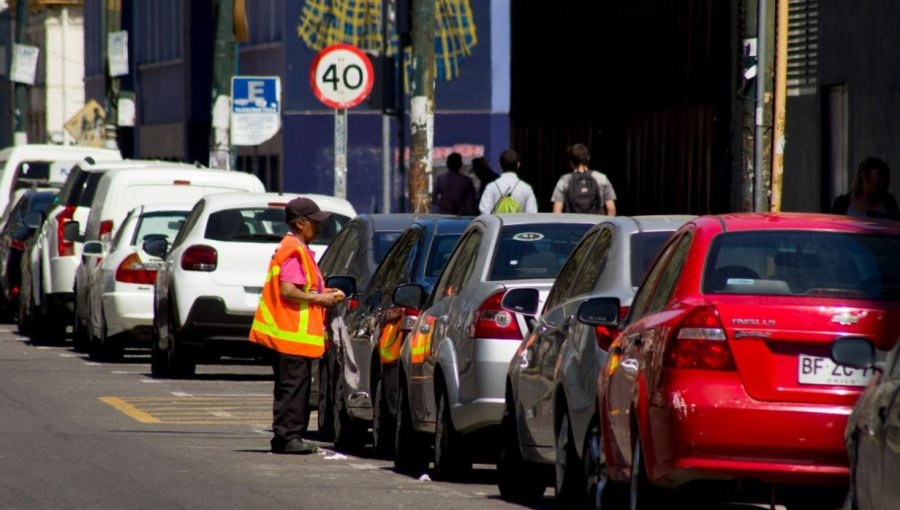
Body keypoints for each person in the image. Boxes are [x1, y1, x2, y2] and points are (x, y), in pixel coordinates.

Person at [249, 197, 346, 455]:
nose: (319, 227)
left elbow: (302, 287)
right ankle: (289, 437)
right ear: (301, 224)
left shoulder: (297, 247)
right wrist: (321, 298)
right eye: (315, 222)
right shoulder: (294, 249)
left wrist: (326, 292)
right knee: (294, 388)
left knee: (291, 387)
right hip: (289, 334)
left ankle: (284, 437)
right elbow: (288, 290)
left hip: (291, 335)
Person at [551, 143, 617, 215]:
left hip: (574, 224)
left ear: (571, 162)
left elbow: (557, 211)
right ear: (588, 158)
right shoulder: (601, 178)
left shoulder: (564, 180)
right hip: (597, 224)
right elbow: (611, 209)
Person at [831, 157, 900, 220]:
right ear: (863, 175)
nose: (882, 180)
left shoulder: (889, 203)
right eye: (878, 175)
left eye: (885, 177)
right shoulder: (842, 204)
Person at [478, 149, 538, 214]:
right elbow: (532, 214)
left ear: (500, 165)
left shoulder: (491, 187)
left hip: (497, 224)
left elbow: (484, 212)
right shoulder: (526, 188)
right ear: (518, 165)